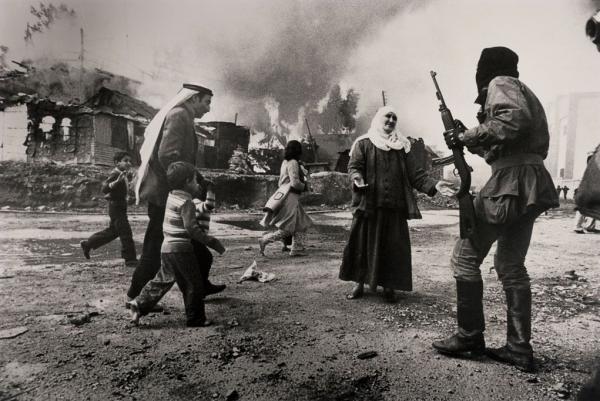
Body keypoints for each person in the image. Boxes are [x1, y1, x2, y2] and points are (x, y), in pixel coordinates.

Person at [432, 47, 559, 372]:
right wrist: (468, 138)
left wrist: (467, 134)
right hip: (529, 180)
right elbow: (504, 137)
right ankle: (518, 348)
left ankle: (469, 337)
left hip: (510, 181)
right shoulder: (518, 87)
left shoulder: (501, 82)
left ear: (486, 70)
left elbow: (513, 120)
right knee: (510, 264)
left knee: (465, 256)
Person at [338, 106, 457, 303]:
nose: (391, 120)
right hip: (369, 204)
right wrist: (357, 178)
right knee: (361, 243)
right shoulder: (364, 143)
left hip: (395, 206)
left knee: (393, 247)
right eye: (388, 116)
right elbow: (354, 167)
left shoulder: (403, 147)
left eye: (395, 117)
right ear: (378, 119)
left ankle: (389, 286)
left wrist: (435, 185)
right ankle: (358, 283)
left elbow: (416, 175)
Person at [128, 83, 225, 304]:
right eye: (206, 102)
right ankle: (135, 295)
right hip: (166, 196)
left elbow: (177, 159)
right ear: (193, 99)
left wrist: (196, 179)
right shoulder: (179, 115)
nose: (209, 108)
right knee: (155, 250)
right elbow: (168, 156)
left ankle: (201, 285)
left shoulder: (183, 116)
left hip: (170, 192)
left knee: (194, 245)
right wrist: (183, 187)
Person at [128, 162, 225, 327]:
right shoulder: (186, 202)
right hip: (182, 250)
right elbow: (191, 228)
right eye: (195, 181)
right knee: (193, 284)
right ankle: (195, 319)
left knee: (162, 280)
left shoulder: (171, 196)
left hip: (166, 248)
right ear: (187, 182)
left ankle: (139, 304)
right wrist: (212, 242)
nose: (197, 185)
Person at [80, 151, 137, 266]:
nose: (129, 163)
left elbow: (118, 191)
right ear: (117, 162)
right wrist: (116, 182)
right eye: (125, 161)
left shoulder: (122, 174)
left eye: (130, 161)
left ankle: (88, 243)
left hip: (119, 206)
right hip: (116, 207)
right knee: (126, 233)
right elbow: (105, 188)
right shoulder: (115, 174)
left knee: (113, 232)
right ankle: (130, 260)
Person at [259, 140, 312, 257]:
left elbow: (282, 182)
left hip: (286, 195)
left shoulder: (285, 162)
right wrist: (305, 186)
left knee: (301, 223)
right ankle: (265, 239)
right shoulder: (293, 162)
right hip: (291, 196)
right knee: (288, 228)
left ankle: (297, 249)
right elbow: (295, 183)